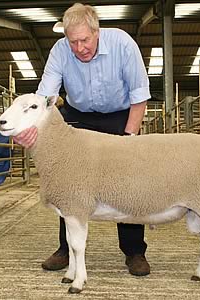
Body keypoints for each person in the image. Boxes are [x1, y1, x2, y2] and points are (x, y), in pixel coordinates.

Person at [13, 3, 151, 276]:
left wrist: (129, 139)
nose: (79, 48)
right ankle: (66, 250)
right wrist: (30, 128)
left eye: (84, 40)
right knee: (68, 182)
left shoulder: (122, 44)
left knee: (125, 180)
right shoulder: (60, 51)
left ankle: (134, 251)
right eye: (72, 41)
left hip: (119, 115)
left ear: (96, 31)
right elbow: (45, 99)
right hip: (78, 115)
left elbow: (139, 95)